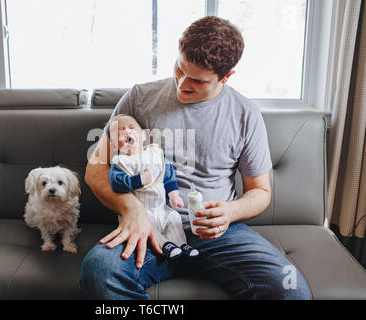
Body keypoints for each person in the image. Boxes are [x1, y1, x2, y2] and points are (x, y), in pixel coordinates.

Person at [80, 16, 311, 299]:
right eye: (179, 68)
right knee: (99, 271)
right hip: (149, 226)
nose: (181, 84)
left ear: (226, 77)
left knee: (290, 288)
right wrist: (132, 209)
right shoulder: (139, 97)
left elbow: (261, 192)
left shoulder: (245, 113)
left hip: (220, 235)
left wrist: (230, 212)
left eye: (197, 81)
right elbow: (95, 170)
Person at [107, 114, 199, 260]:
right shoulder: (120, 162)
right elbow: (116, 183)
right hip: (142, 212)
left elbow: (168, 176)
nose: (127, 132)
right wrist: (138, 180)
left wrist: (174, 194)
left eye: (131, 128)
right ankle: (166, 245)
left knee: (173, 218)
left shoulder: (155, 153)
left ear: (143, 135)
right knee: (148, 226)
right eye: (120, 132)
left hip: (162, 207)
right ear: (113, 145)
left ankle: (182, 244)